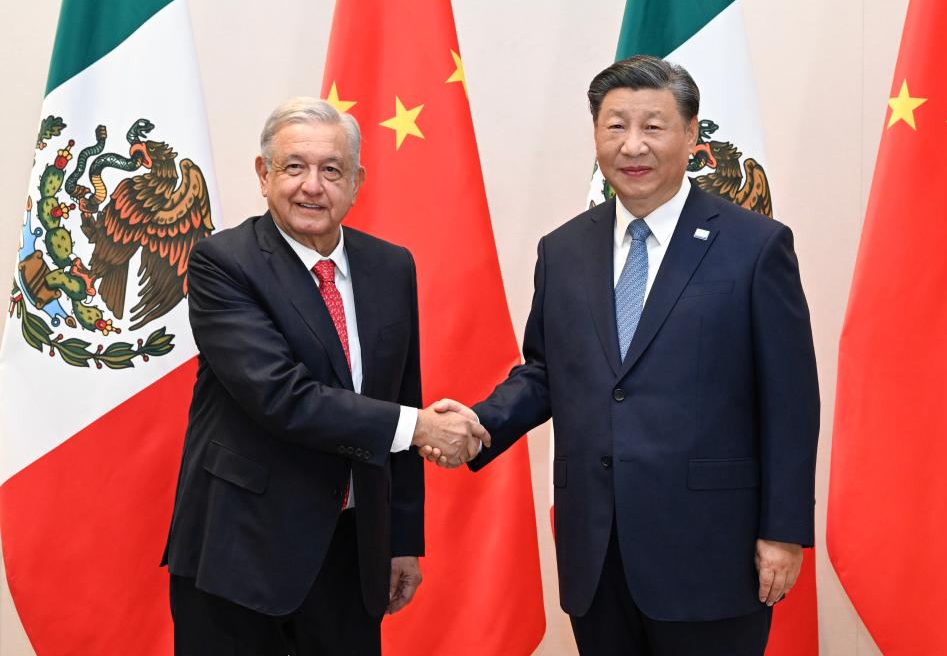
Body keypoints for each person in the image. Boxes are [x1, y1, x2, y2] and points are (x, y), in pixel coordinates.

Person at [423, 56, 820, 656]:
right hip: (597, 548)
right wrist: (480, 423)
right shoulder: (563, 249)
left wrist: (783, 530)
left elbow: (791, 400)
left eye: (653, 126)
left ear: (691, 133)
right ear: (596, 135)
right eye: (615, 126)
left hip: (713, 550)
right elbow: (547, 372)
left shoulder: (755, 246)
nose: (633, 145)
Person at [163, 97, 488, 656]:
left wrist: (400, 539)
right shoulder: (224, 263)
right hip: (241, 549)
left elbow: (400, 393)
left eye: (331, 170)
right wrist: (421, 427)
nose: (312, 186)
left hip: (350, 550)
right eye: (294, 167)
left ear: (357, 182)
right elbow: (281, 396)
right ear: (264, 175)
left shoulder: (391, 265)